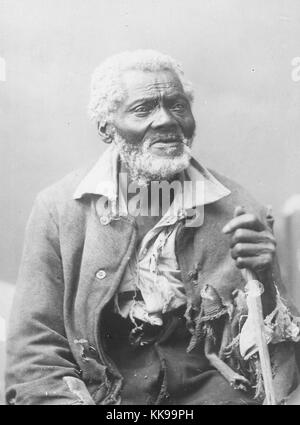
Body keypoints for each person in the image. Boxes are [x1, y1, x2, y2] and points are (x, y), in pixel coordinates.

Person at [5, 50, 300, 405]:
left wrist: (267, 280)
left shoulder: (238, 209)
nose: (166, 121)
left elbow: (275, 368)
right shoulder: (59, 210)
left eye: (177, 106)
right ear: (106, 128)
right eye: (143, 109)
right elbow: (35, 354)